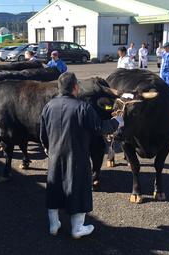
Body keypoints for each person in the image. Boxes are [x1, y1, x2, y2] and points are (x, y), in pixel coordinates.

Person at [40, 72, 123, 239]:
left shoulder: (49, 106)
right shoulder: (83, 107)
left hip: (55, 155)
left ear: (59, 87)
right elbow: (99, 128)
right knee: (78, 189)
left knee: (54, 188)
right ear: (76, 87)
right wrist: (118, 121)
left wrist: (47, 148)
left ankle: (54, 225)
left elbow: (43, 132)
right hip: (77, 156)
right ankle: (77, 228)